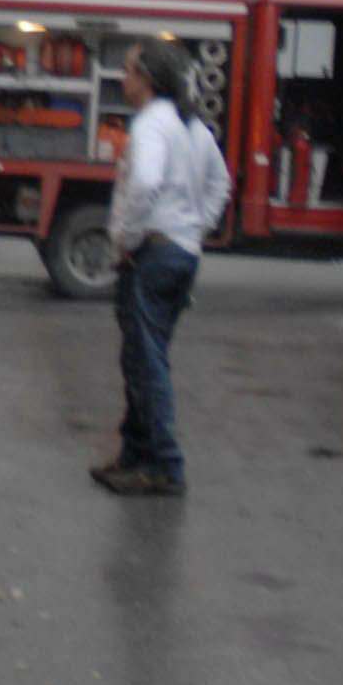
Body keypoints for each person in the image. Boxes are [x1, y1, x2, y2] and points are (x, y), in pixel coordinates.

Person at [93, 39, 232, 500]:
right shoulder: (192, 126)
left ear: (148, 79)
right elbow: (220, 184)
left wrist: (127, 240)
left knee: (146, 363)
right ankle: (135, 455)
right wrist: (196, 227)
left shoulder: (153, 125)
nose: (122, 78)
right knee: (143, 357)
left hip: (153, 254)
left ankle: (165, 466)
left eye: (129, 70)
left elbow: (147, 182)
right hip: (181, 253)